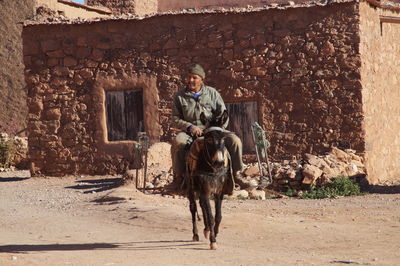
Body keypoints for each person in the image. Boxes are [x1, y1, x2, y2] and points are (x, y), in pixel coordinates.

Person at [167, 64, 252, 193]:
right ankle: (179, 178)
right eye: (189, 77)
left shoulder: (212, 93)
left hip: (213, 131)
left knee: (235, 141)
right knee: (178, 142)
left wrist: (216, 128)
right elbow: (175, 118)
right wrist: (190, 126)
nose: (190, 80)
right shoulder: (179, 96)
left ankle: (236, 174)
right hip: (190, 132)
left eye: (194, 77)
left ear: (202, 79)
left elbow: (223, 114)